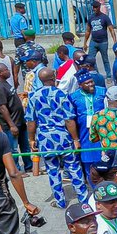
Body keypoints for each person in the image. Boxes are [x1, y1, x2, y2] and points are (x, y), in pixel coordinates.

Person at [27, 66, 89, 207]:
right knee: (73, 167)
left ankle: (60, 201)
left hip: (45, 138)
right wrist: (75, 139)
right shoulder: (61, 95)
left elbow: (31, 122)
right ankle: (84, 200)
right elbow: (69, 120)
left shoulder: (34, 96)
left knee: (52, 170)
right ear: (53, 79)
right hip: (63, 137)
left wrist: (31, 139)